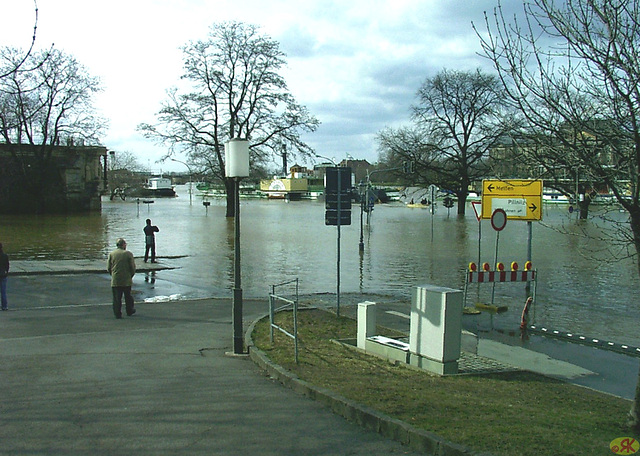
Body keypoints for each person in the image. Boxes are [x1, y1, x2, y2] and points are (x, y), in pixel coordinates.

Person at [107, 238, 136, 319]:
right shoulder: (128, 254)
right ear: (123, 245)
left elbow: (109, 267)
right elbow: (132, 267)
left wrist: (112, 275)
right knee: (128, 296)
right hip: (126, 279)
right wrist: (131, 275)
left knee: (117, 298)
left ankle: (117, 313)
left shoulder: (112, 254)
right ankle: (129, 310)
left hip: (116, 278)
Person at [0, 243, 9, 311]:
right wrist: (6, 272)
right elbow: (7, 266)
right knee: (3, 292)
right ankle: (4, 306)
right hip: (3, 275)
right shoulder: (5, 256)